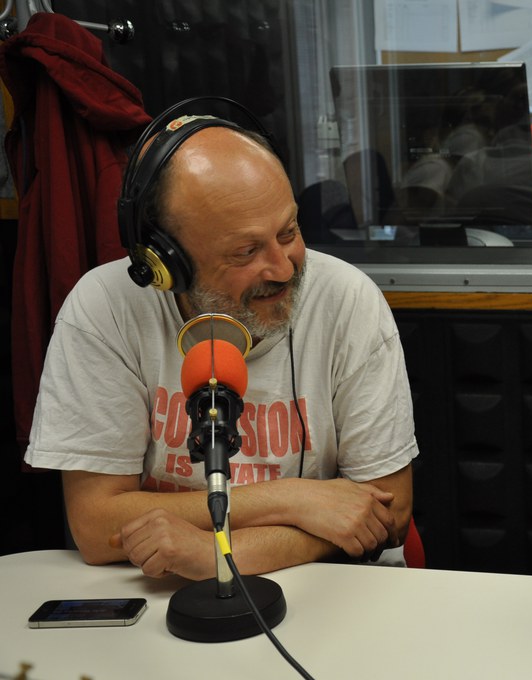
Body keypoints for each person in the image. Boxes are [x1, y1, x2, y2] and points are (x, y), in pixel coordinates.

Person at [23, 109, 419, 580]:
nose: (284, 268)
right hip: (161, 591)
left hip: (332, 587)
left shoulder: (348, 300)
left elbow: (388, 514)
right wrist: (294, 499)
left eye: (289, 232)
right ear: (167, 263)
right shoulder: (104, 308)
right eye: (246, 252)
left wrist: (216, 555)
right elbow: (95, 524)